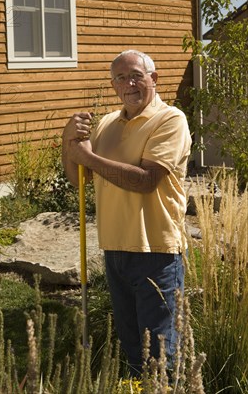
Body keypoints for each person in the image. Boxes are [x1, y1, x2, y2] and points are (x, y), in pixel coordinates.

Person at [62, 50, 192, 376]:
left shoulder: (171, 120)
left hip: (156, 253)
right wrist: (68, 142)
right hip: (115, 251)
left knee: (159, 355)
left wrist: (88, 158)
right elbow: (78, 176)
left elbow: (146, 180)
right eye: (120, 78)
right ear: (113, 84)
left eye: (136, 75)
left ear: (154, 78)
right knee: (134, 349)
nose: (128, 83)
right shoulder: (106, 123)